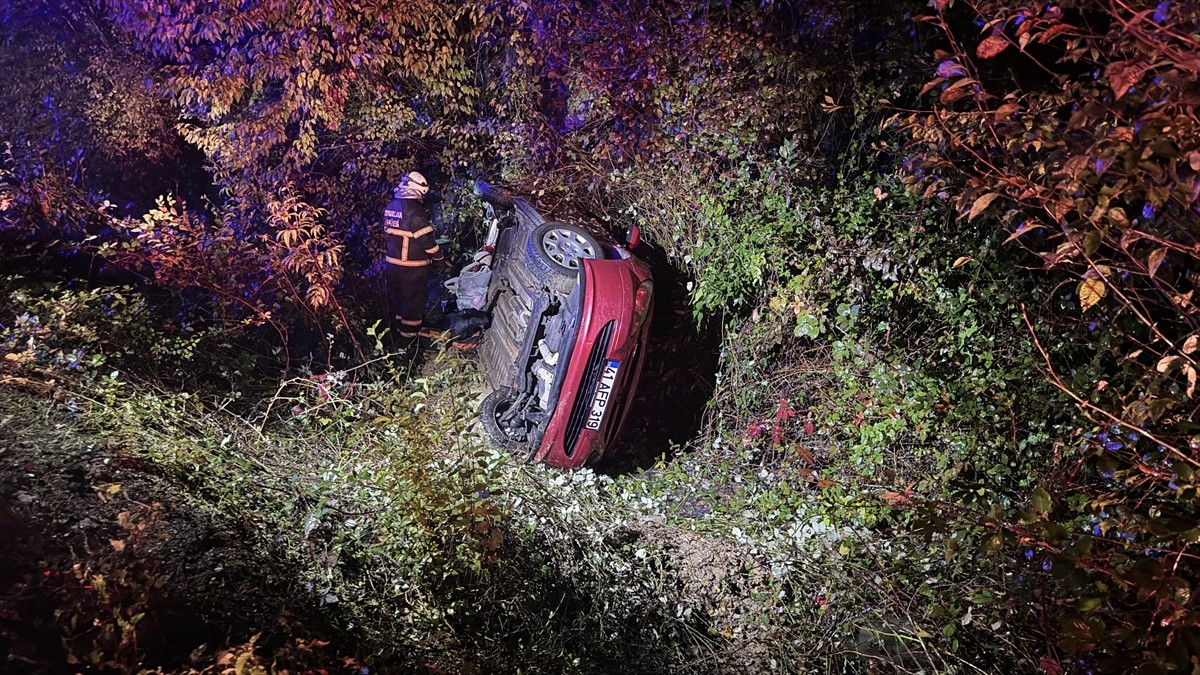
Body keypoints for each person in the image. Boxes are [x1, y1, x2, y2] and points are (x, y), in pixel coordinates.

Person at [382, 171, 444, 344]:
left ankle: (398, 337)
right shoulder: (415, 211)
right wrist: (439, 258)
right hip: (412, 268)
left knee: (399, 301)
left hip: (392, 265)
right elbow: (427, 240)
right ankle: (410, 341)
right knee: (413, 303)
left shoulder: (391, 206)